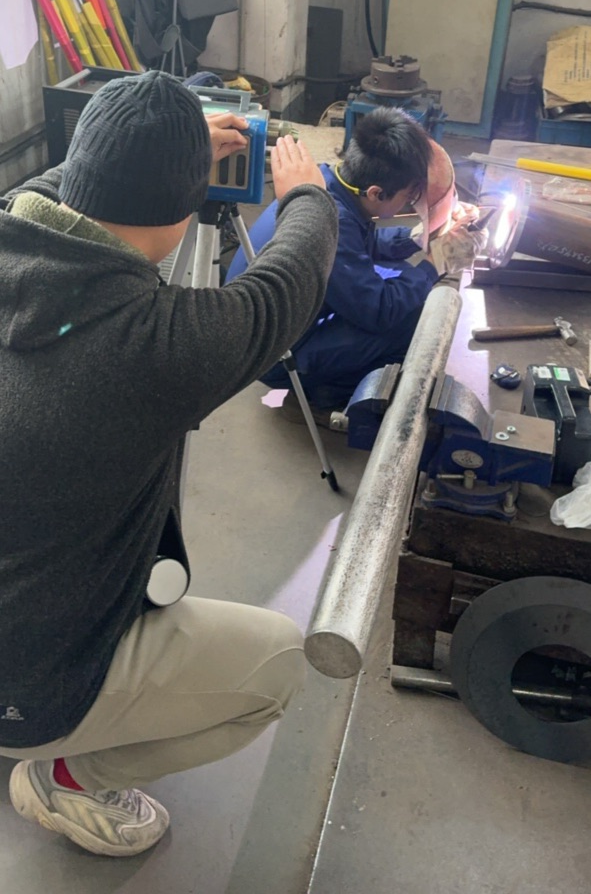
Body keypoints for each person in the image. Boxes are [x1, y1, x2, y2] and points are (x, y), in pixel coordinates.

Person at [0, 70, 338, 858]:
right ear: (186, 209)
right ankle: (68, 777)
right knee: (278, 665)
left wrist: (150, 149)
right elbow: (283, 289)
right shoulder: (157, 344)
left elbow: (44, 192)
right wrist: (307, 196)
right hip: (30, 679)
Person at [226, 106, 480, 416]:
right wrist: (434, 262)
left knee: (403, 279)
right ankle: (330, 395)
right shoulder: (333, 222)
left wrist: (419, 238)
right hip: (273, 358)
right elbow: (380, 310)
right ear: (376, 193)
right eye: (409, 197)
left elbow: (362, 243)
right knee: (412, 315)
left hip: (271, 328)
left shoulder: (327, 181)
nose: (411, 205)